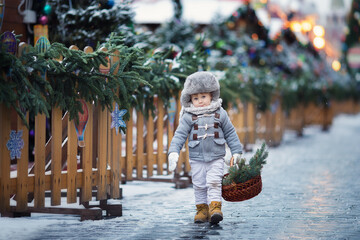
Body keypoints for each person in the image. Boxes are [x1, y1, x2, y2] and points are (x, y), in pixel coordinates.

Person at [168, 71, 243, 224]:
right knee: (199, 184)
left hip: (216, 156)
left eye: (203, 97)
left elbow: (230, 132)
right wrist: (173, 151)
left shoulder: (220, 113)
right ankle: (201, 209)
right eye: (196, 98)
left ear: (211, 95)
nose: (200, 101)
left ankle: (215, 207)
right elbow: (180, 135)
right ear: (190, 99)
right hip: (197, 158)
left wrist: (236, 152)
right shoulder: (188, 116)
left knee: (214, 182)